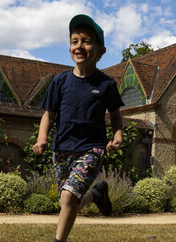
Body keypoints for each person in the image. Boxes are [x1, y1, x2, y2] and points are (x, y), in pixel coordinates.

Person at [32, 14, 124, 242]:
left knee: (68, 196)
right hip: (61, 149)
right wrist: (41, 138)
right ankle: (96, 194)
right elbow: (48, 115)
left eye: (86, 41)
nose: (79, 46)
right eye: (74, 41)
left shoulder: (106, 84)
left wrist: (118, 136)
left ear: (101, 51)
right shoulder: (60, 82)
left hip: (91, 149)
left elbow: (115, 115)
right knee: (69, 200)